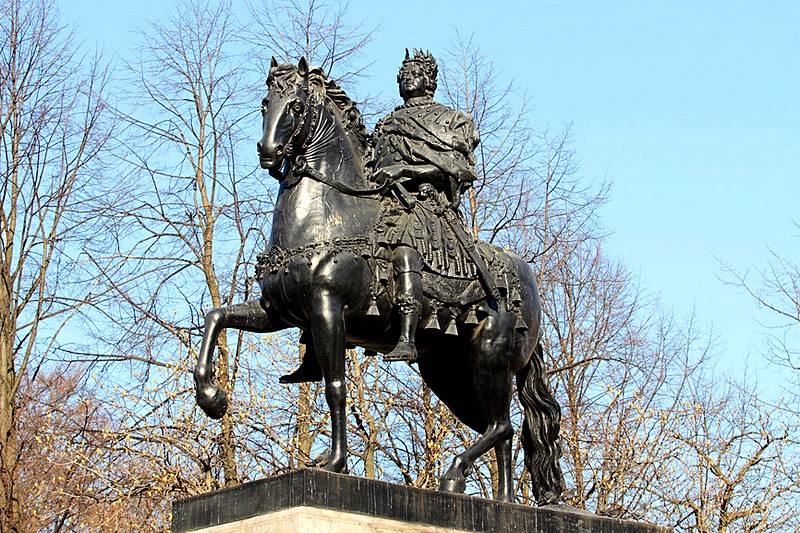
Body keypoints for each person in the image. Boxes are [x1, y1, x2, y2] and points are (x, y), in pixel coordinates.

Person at [372, 49, 481, 362]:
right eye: (403, 73)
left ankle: (406, 337)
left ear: (430, 79)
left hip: (426, 205)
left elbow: (458, 169)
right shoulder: (387, 123)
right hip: (385, 201)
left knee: (405, 243)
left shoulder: (452, 122)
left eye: (414, 71)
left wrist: (406, 171)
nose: (407, 77)